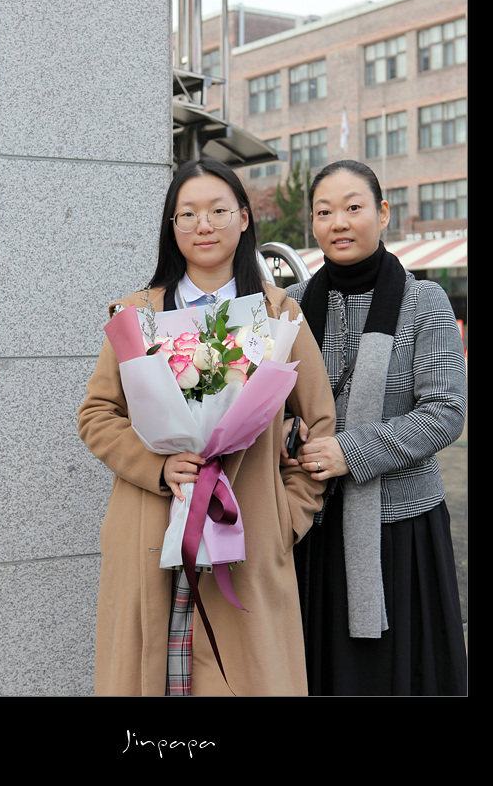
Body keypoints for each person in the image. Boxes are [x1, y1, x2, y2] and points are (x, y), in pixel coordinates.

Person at [78, 156, 336, 696]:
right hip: (150, 533)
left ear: (243, 217)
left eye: (218, 210)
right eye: (187, 214)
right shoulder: (137, 314)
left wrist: (285, 519)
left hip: (247, 538)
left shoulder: (279, 315)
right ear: (172, 226)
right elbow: (97, 414)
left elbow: (318, 426)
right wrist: (157, 466)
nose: (204, 225)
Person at [283, 159, 467, 696]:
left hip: (398, 530)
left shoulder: (423, 301)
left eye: (353, 207)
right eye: (324, 212)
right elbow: (267, 405)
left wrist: (351, 451)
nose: (338, 222)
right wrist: (287, 434)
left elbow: (446, 411)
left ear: (382, 213)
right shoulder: (290, 307)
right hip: (308, 522)